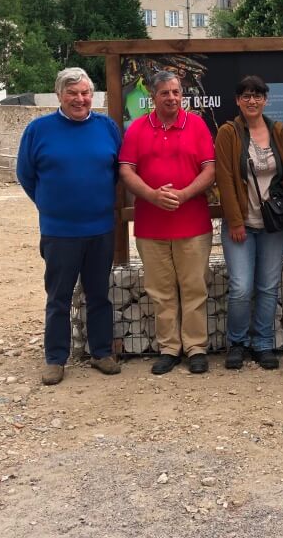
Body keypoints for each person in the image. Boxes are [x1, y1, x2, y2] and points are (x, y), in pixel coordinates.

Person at [16, 67, 122, 386]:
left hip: (100, 228)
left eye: (85, 93)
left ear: (93, 95)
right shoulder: (38, 130)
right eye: (72, 93)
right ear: (59, 95)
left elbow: (118, 171)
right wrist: (50, 205)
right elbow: (26, 175)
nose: (80, 99)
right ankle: (55, 358)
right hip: (59, 231)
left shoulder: (107, 128)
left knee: (99, 294)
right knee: (58, 297)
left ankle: (101, 352)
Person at [119, 70, 216, 376]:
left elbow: (210, 169)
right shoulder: (137, 128)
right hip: (151, 226)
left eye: (176, 92)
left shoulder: (196, 125)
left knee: (194, 288)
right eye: (165, 93)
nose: (172, 98)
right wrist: (152, 195)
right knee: (161, 292)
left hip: (193, 223)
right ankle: (169, 348)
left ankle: (196, 348)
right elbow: (126, 170)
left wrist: (184, 194)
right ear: (153, 96)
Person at [215, 76, 283, 371]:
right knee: (241, 286)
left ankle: (263, 343)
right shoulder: (228, 133)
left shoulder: (277, 131)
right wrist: (235, 221)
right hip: (241, 223)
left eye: (257, 95)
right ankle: (237, 343)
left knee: (268, 286)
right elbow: (225, 178)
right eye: (246, 96)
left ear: (266, 99)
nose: (252, 101)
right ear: (237, 100)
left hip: (273, 224)